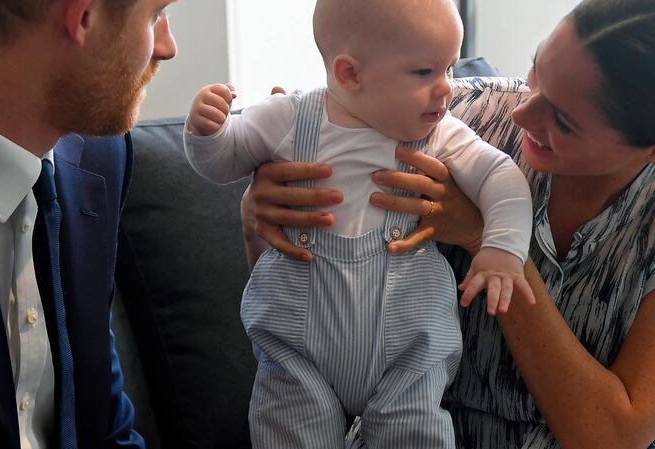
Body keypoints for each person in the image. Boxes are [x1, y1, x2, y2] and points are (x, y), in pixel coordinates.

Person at [243, 0, 655, 448]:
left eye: (565, 122)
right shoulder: (448, 115)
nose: (523, 114)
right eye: (535, 73)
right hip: (432, 423)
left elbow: (610, 434)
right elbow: (309, 294)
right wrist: (264, 211)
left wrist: (486, 234)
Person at [183, 0, 534, 447]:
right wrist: (206, 132)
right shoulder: (288, 118)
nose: (447, 89)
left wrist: (502, 249)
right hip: (298, 351)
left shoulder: (440, 133)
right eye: (425, 72)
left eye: (450, 66)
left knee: (415, 433)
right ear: (350, 74)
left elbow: (501, 176)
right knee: (288, 430)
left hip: (408, 349)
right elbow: (221, 164)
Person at [0, 1, 176, 448]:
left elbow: (105, 425)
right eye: (154, 16)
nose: (168, 47)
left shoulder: (97, 156)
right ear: (83, 17)